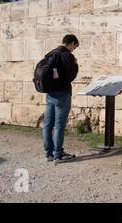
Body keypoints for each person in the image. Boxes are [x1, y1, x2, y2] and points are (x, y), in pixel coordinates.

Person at [43, 34, 79, 163]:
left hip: (50, 93)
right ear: (71, 43)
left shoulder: (51, 53)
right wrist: (75, 65)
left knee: (48, 124)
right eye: (74, 47)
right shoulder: (67, 55)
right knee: (59, 125)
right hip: (62, 93)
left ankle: (49, 153)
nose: (73, 49)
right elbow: (70, 76)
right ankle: (58, 154)